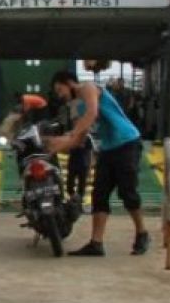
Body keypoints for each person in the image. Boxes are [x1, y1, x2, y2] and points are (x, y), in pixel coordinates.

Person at [45, 71, 150, 256]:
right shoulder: (75, 105)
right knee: (99, 194)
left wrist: (68, 136)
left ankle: (142, 233)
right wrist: (57, 145)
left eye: (59, 89)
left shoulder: (88, 87)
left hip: (127, 142)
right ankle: (96, 243)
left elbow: (92, 114)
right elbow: (79, 139)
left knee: (128, 192)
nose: (59, 94)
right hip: (107, 149)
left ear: (69, 83)